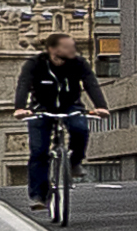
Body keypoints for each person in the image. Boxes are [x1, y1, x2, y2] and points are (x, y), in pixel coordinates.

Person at [14, 30, 102, 205]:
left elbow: (91, 83)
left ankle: (75, 162)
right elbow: (23, 84)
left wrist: (101, 106)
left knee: (81, 128)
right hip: (42, 107)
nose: (72, 50)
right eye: (68, 47)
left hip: (70, 105)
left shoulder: (78, 63)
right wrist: (20, 108)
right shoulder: (35, 64)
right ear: (52, 49)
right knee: (39, 152)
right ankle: (38, 195)